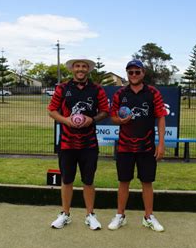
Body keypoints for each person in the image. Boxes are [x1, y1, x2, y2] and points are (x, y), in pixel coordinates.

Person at [47, 58, 109, 230]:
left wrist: (92, 119)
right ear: (72, 69)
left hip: (89, 143)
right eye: (77, 66)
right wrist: (65, 121)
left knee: (88, 180)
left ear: (88, 69)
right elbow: (52, 110)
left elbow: (105, 111)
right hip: (67, 143)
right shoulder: (62, 88)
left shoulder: (97, 89)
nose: (80, 69)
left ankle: (90, 215)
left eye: (84, 66)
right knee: (67, 180)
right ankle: (65, 214)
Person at [107, 59, 167, 232]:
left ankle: (148, 217)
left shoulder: (153, 93)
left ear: (143, 73)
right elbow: (113, 117)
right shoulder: (120, 94)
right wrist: (121, 120)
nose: (133, 75)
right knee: (123, 181)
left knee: (147, 182)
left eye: (137, 72)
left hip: (147, 146)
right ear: (127, 74)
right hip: (125, 146)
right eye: (130, 72)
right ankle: (120, 216)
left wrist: (161, 143)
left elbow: (161, 117)